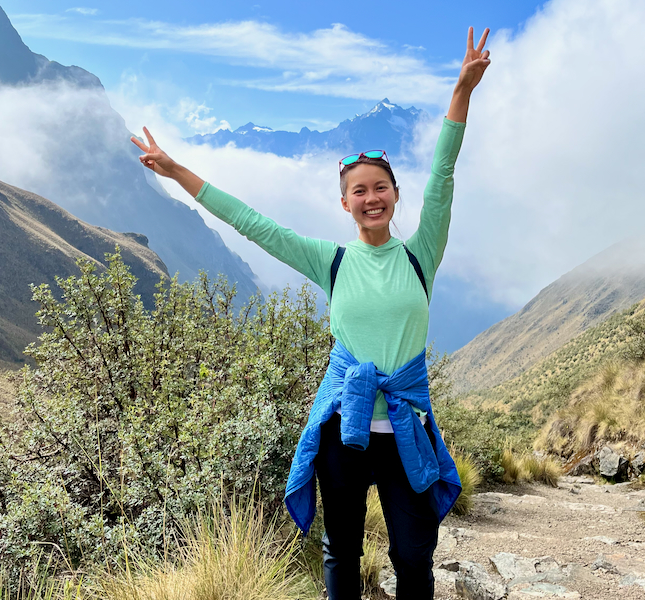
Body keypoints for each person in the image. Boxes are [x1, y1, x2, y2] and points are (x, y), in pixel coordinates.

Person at [132, 26, 491, 600]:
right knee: (341, 552)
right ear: (344, 202)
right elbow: (253, 223)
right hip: (340, 428)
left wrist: (461, 93)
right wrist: (179, 174)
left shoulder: (422, 254)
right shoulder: (332, 260)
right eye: (359, 191)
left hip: (406, 427)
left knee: (413, 555)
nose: (371, 198)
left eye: (380, 188)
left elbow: (444, 176)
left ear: (396, 194)